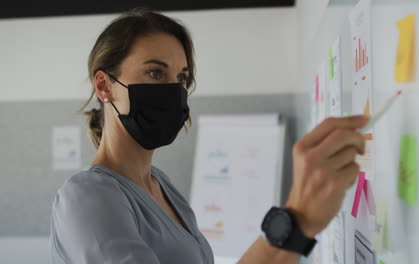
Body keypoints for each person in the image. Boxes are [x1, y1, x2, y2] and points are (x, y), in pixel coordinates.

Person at [50, 8, 367, 264]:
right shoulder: (86, 196)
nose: (174, 90)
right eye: (155, 73)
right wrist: (296, 218)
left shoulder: (162, 186)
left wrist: (298, 223)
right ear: (104, 86)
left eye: (182, 77)